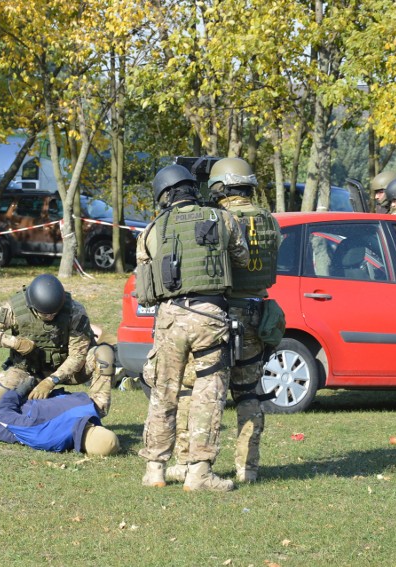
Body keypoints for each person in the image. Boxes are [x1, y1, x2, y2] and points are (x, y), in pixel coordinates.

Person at [164, 157, 285, 485]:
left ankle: (189, 463)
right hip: (255, 313)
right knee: (248, 394)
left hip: (217, 314)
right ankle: (249, 467)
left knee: (197, 389)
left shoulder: (218, 219)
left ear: (219, 187)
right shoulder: (270, 220)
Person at [134, 164, 250, 492]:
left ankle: (154, 469)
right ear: (191, 188)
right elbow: (241, 260)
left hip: (170, 319)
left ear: (163, 195)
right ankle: (199, 472)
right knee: (208, 394)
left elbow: (145, 284)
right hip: (210, 316)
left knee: (163, 394)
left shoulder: (151, 231)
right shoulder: (223, 220)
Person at [0, 274, 115, 417]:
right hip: (30, 370)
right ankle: (31, 414)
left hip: (68, 371)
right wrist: (15, 342)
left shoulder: (74, 311)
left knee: (104, 354)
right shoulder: (16, 309)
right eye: (46, 314)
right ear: (32, 306)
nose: (51, 317)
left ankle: (95, 412)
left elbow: (78, 356)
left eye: (54, 313)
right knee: (0, 393)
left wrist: (52, 381)